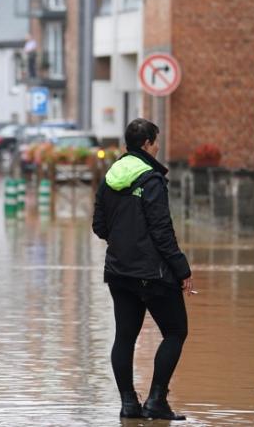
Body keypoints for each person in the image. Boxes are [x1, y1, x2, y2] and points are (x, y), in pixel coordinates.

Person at [93, 118, 193, 421]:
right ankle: (156, 401)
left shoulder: (109, 177)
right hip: (153, 274)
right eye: (156, 141)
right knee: (175, 332)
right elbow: (162, 231)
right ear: (148, 144)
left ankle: (128, 405)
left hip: (118, 272)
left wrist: (124, 242)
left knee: (124, 336)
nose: (159, 146)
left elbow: (99, 226)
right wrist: (182, 268)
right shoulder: (151, 180)